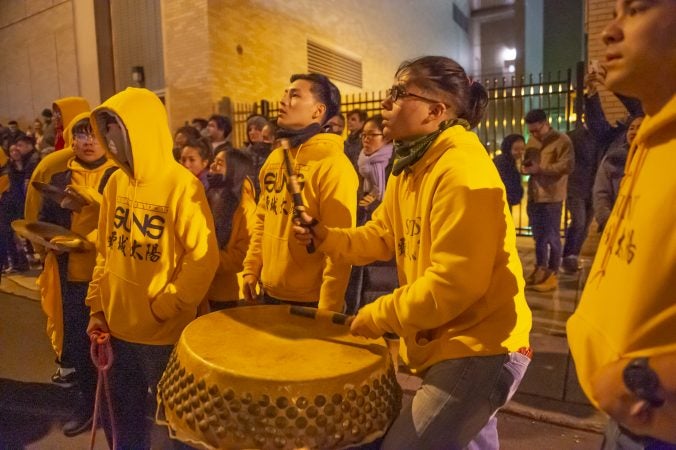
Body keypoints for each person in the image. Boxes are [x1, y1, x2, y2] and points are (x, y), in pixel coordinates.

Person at [294, 56, 532, 449]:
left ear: (436, 111)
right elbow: (381, 235)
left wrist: (375, 316)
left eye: (398, 94)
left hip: (481, 346)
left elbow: (454, 284)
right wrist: (326, 237)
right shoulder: (411, 164)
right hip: (450, 340)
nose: (385, 105)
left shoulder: (461, 170)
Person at [567, 1, 676, 446]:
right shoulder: (652, 133)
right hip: (627, 418)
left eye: (636, 9)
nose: (610, 30)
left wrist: (646, 379)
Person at [86, 87, 219, 448]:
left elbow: (203, 257)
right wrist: (97, 306)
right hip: (116, 328)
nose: (111, 139)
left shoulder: (181, 185)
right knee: (126, 424)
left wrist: (166, 305)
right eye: (106, 128)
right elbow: (106, 250)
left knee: (179, 426)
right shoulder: (114, 182)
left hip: (165, 335)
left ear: (142, 130)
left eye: (118, 128)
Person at [241, 73, 358, 312]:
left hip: (311, 302)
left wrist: (329, 307)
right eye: (285, 94)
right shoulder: (276, 157)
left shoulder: (334, 165)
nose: (283, 101)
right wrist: (252, 268)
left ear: (318, 111)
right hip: (269, 292)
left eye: (294, 95)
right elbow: (263, 219)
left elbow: (339, 247)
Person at [37, 113, 118, 436]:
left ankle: (115, 407)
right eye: (80, 136)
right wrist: (49, 241)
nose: (87, 143)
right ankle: (88, 404)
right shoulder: (58, 178)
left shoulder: (117, 177)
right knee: (79, 343)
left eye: (93, 136)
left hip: (108, 276)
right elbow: (44, 222)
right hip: (70, 276)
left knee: (114, 349)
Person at [522, 109, 574, 292]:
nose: (534, 134)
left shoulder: (562, 141)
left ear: (546, 123)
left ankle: (552, 274)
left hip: (552, 196)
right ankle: (540, 268)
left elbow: (567, 165)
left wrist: (540, 168)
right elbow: (527, 162)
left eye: (537, 130)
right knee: (539, 237)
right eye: (531, 131)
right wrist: (525, 166)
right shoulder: (532, 141)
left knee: (552, 237)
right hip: (535, 195)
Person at [204, 149, 257, 310]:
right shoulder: (209, 195)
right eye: (214, 161)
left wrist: (206, 261)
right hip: (206, 288)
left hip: (232, 294)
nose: (212, 166)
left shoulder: (245, 207)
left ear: (235, 170)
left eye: (220, 163)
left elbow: (243, 254)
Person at [593, 114, 643, 232]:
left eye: (640, 128)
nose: (634, 132)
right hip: (617, 226)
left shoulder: (656, 159)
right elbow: (601, 193)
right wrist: (608, 221)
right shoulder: (613, 159)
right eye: (631, 128)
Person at [0, 134, 40, 273]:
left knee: (18, 232)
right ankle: (19, 262)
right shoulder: (10, 167)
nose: (15, 152)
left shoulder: (27, 165)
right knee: (11, 234)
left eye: (17, 149)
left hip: (18, 203)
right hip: (10, 203)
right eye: (12, 151)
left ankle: (24, 260)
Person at [356, 114, 393, 223]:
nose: (366, 139)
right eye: (363, 135)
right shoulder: (360, 162)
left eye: (372, 134)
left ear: (386, 137)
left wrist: (373, 204)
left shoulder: (395, 164)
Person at [241, 115, 273, 200]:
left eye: (257, 129)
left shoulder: (272, 153)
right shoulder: (243, 154)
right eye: (250, 130)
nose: (252, 132)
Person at [493, 134, 525, 209]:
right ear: (508, 148)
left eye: (522, 149)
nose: (520, 152)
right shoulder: (502, 163)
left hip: (504, 202)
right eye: (516, 149)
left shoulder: (510, 161)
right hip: (500, 204)